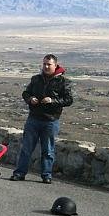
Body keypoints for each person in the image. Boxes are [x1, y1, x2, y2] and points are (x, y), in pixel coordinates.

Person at [10, 54, 73, 184]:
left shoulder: (63, 82)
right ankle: (19, 173)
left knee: (48, 150)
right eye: (44, 64)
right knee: (26, 149)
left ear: (55, 65)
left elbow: (68, 100)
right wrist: (30, 99)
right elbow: (26, 93)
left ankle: (46, 175)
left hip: (50, 121)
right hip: (33, 119)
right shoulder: (36, 79)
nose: (45, 66)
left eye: (48, 64)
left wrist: (52, 101)